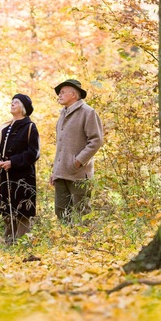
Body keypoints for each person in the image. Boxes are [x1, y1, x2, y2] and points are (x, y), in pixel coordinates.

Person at [0, 94, 40, 244]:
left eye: (16, 102)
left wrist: (13, 162)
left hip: (23, 177)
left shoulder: (30, 127)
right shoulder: (4, 128)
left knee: (23, 212)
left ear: (23, 108)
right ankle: (9, 244)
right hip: (4, 177)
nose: (12, 104)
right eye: (12, 101)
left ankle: (23, 244)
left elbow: (33, 153)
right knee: (6, 211)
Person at [50, 79, 104, 222]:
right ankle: (63, 244)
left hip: (79, 174)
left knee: (82, 214)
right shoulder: (63, 114)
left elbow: (96, 140)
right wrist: (55, 171)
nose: (59, 95)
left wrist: (78, 161)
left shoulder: (88, 112)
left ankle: (85, 244)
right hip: (61, 174)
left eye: (62, 92)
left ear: (73, 94)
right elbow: (61, 146)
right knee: (61, 213)